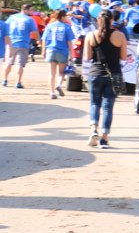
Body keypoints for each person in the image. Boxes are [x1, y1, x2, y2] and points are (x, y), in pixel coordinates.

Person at [81, 9, 130, 147]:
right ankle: (104, 137)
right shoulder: (120, 36)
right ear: (111, 20)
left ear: (98, 20)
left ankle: (93, 129)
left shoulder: (91, 36)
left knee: (94, 103)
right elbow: (124, 57)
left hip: (95, 73)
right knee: (108, 107)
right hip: (114, 74)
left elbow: (87, 57)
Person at [3, 5, 39, 89]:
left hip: (11, 43)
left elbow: (5, 27)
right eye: (31, 10)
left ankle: (5, 80)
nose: (32, 11)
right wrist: (38, 40)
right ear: (25, 10)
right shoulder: (29, 20)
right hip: (23, 43)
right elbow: (35, 31)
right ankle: (18, 82)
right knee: (20, 63)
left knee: (9, 62)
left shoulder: (12, 18)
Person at [42, 9, 73, 99]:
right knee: (61, 72)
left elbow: (44, 39)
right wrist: (72, 54)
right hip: (62, 51)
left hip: (51, 50)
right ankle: (58, 85)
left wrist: (43, 51)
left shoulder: (50, 26)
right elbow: (70, 42)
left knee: (52, 73)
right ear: (63, 16)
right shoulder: (67, 27)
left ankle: (52, 92)